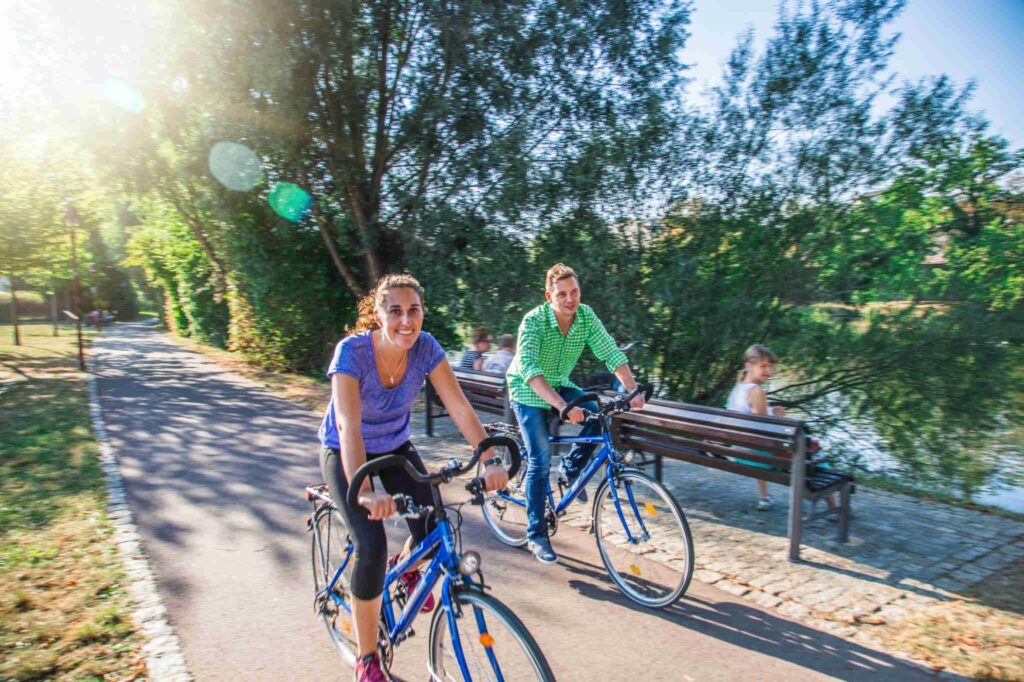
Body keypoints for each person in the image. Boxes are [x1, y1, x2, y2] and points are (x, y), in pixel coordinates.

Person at [317, 273, 508, 682]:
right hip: (345, 450)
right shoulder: (351, 353)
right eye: (396, 311)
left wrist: (489, 458)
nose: (407, 321)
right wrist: (365, 492)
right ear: (378, 314)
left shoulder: (426, 348)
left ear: (422, 313)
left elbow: (458, 405)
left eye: (414, 310)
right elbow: (349, 426)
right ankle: (368, 659)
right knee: (371, 543)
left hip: (395, 446)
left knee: (431, 522)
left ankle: (404, 570)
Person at [505, 263, 645, 564]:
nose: (570, 299)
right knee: (540, 458)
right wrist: (563, 407)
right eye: (562, 294)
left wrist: (632, 390)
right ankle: (536, 533)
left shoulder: (585, 316)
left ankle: (569, 469)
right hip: (529, 391)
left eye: (575, 292)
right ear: (549, 296)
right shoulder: (534, 322)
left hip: (559, 384)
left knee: (597, 414)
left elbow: (609, 351)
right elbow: (529, 369)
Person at [726, 344, 837, 515]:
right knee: (813, 450)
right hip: (757, 455)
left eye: (770, 366)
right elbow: (764, 430)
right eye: (763, 366)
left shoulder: (737, 388)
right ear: (749, 365)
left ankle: (764, 497)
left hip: (741, 452)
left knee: (789, 447)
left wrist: (771, 413)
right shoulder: (756, 391)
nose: (768, 370)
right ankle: (833, 505)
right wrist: (777, 415)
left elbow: (754, 426)